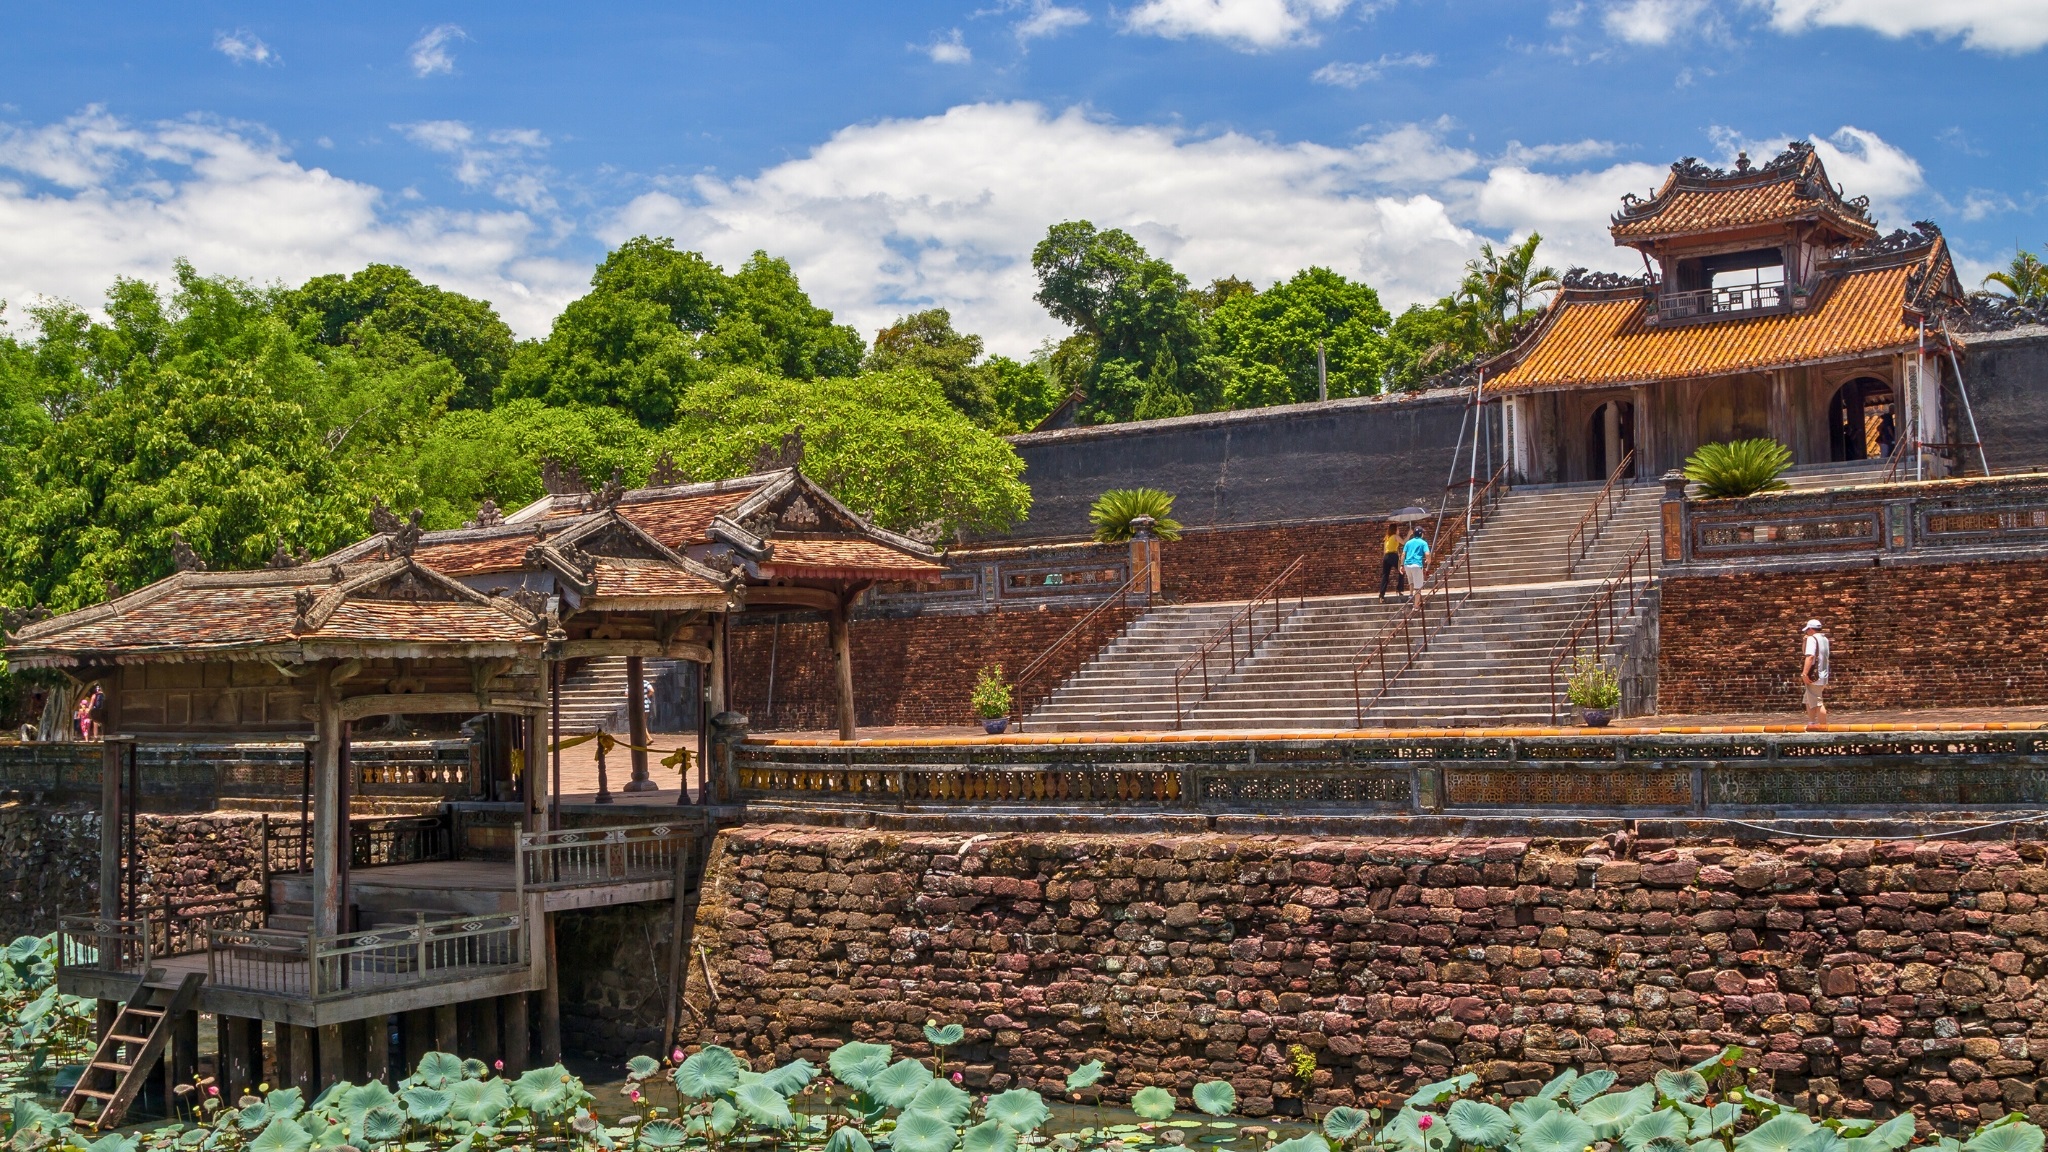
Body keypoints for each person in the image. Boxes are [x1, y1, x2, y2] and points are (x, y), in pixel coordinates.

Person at [1800, 618, 1830, 728]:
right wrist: (1805, 641)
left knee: (1817, 702)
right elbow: (1807, 652)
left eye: (1807, 630)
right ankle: (1811, 722)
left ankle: (1823, 726)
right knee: (1809, 699)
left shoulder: (1812, 639)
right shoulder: (1824, 639)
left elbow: (1810, 656)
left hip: (1814, 675)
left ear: (1811, 629)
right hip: (1823, 674)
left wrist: (1804, 673)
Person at [1400, 527, 1431, 610]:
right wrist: (1429, 560)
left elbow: (1403, 554)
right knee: (1418, 587)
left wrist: (1401, 565)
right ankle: (1416, 605)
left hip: (1407, 565)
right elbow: (1427, 554)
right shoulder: (1423, 543)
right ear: (1421, 534)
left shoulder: (1408, 542)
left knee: (1412, 582)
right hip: (1416, 565)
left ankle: (1413, 596)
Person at [1378, 523, 1403, 599]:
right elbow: (1404, 542)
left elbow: (1384, 550)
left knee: (1385, 575)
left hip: (1386, 556)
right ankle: (1399, 589)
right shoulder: (1395, 536)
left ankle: (1381, 595)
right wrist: (1409, 534)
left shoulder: (1386, 538)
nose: (1399, 530)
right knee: (1402, 571)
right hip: (1393, 555)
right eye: (1397, 529)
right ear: (1395, 530)